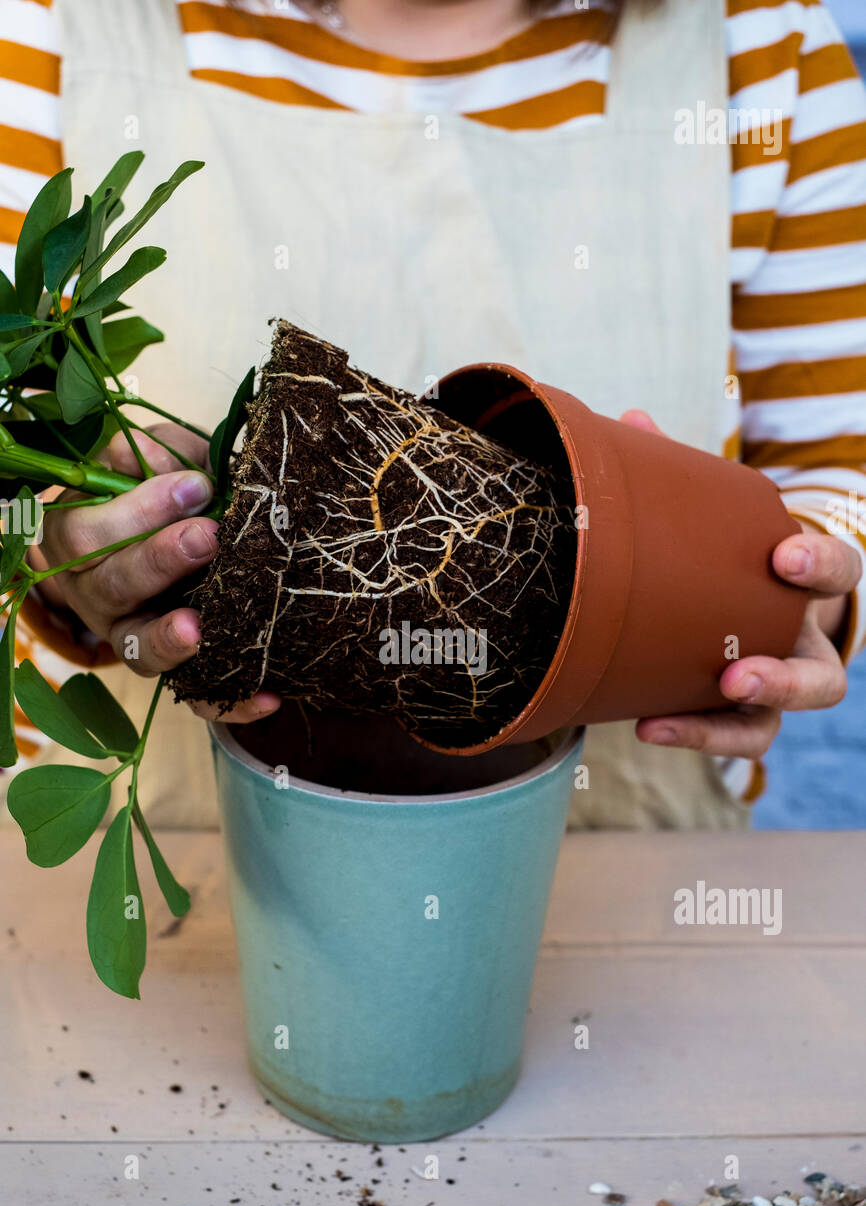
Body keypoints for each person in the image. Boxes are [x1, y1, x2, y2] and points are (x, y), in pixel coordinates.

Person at [1, 0, 864, 828]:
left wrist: (788, 599)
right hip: (178, 883)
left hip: (639, 885)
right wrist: (56, 552)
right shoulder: (50, 30)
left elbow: (840, 471)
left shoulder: (758, 43)